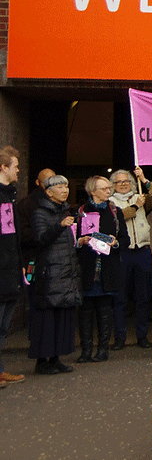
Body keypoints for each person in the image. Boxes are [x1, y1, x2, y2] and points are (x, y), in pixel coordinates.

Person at [28, 174, 79, 375]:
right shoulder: (40, 212)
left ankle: (56, 358)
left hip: (66, 272)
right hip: (49, 272)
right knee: (47, 319)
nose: (65, 190)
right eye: (60, 187)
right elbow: (41, 239)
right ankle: (42, 361)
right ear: (49, 192)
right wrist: (59, 226)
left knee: (61, 317)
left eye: (66, 186)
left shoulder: (65, 211)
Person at [75, 176, 127, 362]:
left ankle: (103, 349)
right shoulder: (80, 212)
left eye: (109, 187)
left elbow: (125, 240)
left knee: (105, 311)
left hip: (107, 268)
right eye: (104, 188)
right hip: (87, 267)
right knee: (85, 312)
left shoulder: (114, 212)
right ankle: (86, 350)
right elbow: (72, 237)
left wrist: (115, 242)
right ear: (92, 191)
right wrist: (79, 241)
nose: (108, 190)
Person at [109, 168, 152, 350]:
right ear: (113, 185)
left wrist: (143, 179)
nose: (123, 184)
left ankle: (142, 336)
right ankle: (120, 337)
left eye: (126, 181)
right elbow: (120, 217)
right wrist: (136, 206)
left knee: (143, 297)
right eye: (119, 182)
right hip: (123, 253)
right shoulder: (110, 201)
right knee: (120, 298)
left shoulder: (142, 196)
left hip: (142, 251)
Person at [0, 146, 25, 385]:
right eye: (15, 166)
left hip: (10, 272)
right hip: (2, 271)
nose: (18, 170)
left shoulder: (10, 195)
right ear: (3, 168)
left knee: (3, 327)